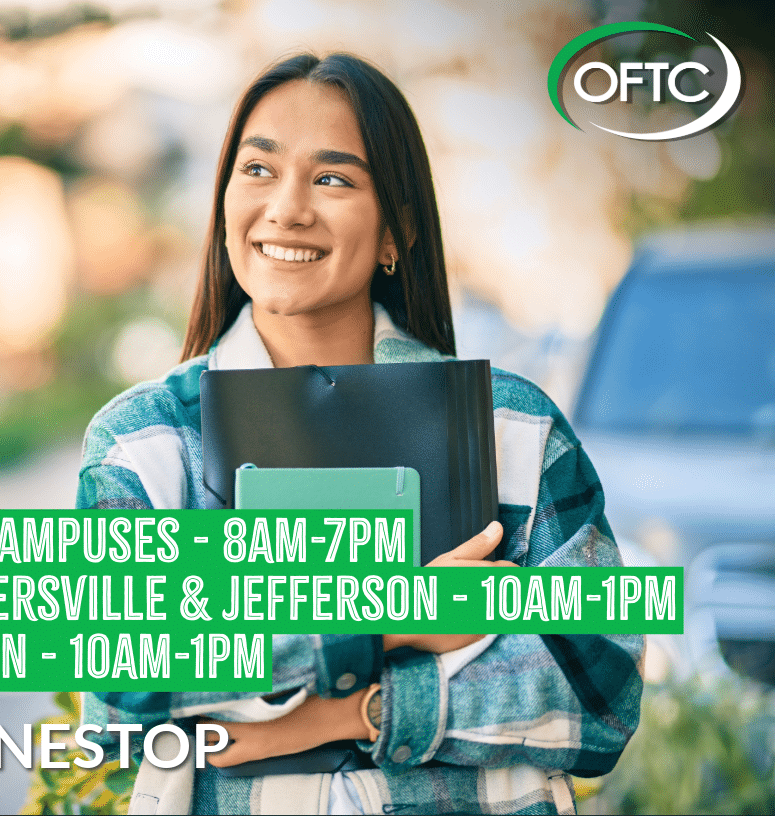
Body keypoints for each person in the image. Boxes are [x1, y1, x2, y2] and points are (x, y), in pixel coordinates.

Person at [76, 52, 642, 815]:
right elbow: (124, 700)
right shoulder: (143, 446)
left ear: (395, 231)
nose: (287, 208)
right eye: (258, 170)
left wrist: (354, 712)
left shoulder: (513, 428)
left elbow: (600, 693)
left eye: (334, 178)